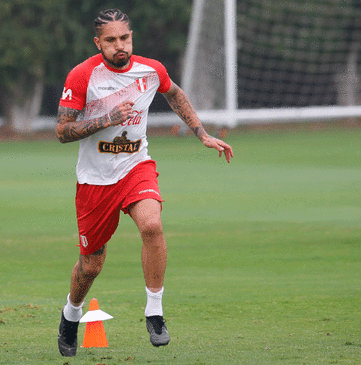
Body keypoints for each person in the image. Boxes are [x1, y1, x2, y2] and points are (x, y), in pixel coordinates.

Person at [56, 8, 233, 357]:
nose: (120, 46)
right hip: (95, 180)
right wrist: (106, 118)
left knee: (152, 226)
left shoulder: (151, 70)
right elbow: (62, 132)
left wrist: (201, 134)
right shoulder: (82, 76)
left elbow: (175, 94)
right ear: (98, 43)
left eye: (125, 38)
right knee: (91, 265)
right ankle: (71, 314)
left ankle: (154, 312)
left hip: (136, 166)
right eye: (111, 40)